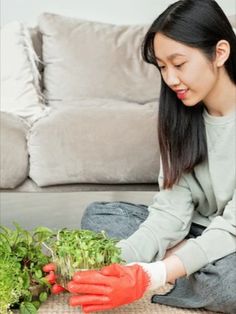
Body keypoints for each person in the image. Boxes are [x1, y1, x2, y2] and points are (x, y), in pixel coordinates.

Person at [44, 0, 236, 313]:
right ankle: (187, 263)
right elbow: (171, 214)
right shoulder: (182, 117)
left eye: (179, 63)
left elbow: (231, 228)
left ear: (219, 53)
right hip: (194, 229)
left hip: (232, 232)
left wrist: (147, 276)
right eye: (162, 67)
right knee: (100, 219)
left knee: (230, 283)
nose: (171, 79)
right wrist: (108, 264)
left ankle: (175, 265)